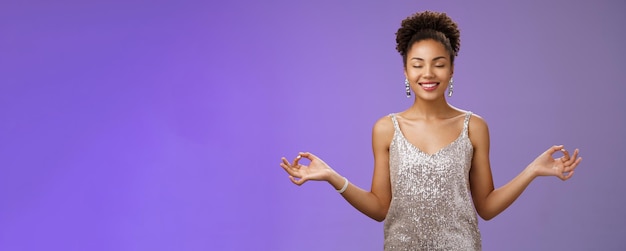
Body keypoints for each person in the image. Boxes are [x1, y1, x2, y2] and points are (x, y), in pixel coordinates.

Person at [279, 11, 582, 250]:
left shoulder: (474, 127)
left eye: (438, 64)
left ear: (451, 70)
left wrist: (532, 170)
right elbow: (380, 207)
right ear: (405, 71)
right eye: (417, 64)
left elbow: (486, 207)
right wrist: (333, 177)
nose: (427, 74)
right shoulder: (386, 129)